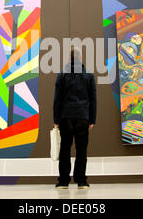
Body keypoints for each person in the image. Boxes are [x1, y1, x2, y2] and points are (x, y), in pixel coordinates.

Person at [53, 47, 97, 189]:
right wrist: (92, 119)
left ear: (68, 59)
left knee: (65, 149)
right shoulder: (89, 76)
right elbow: (93, 100)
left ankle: (63, 182)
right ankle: (81, 181)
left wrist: (56, 119)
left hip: (65, 116)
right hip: (83, 116)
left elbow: (57, 100)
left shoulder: (61, 75)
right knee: (82, 149)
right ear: (81, 58)